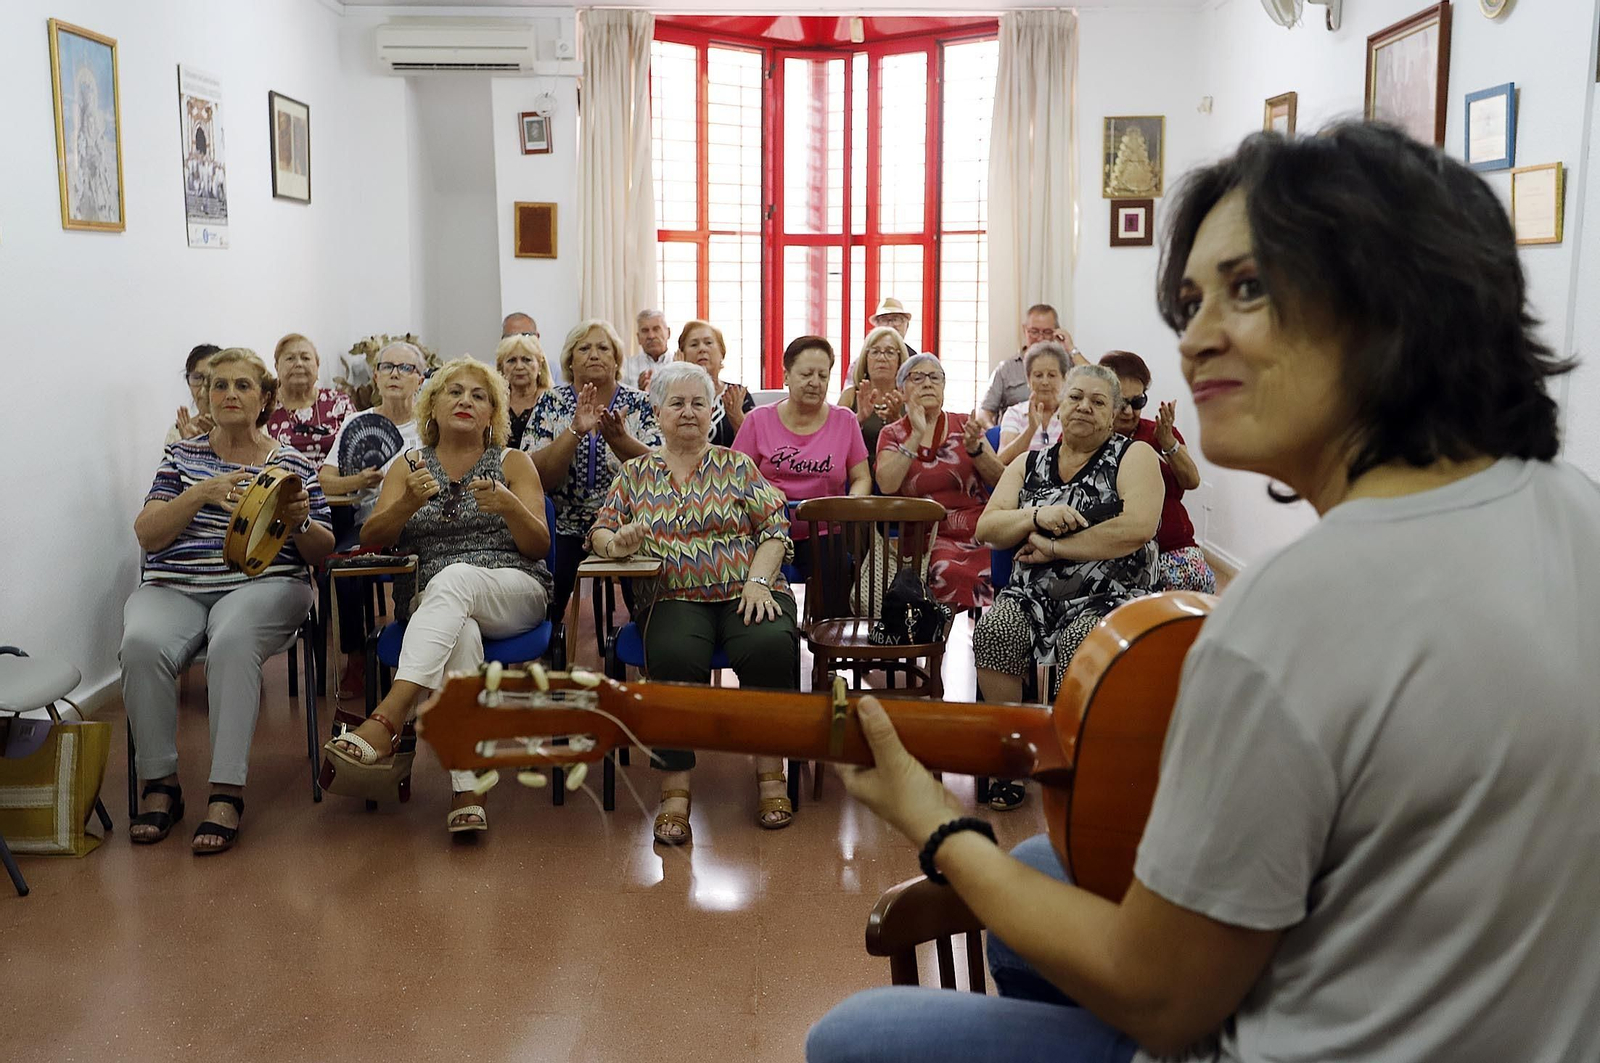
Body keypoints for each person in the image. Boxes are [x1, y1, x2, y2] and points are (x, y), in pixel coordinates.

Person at [806, 123, 1600, 1063]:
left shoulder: (1289, 615)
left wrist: (936, 826)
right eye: (1192, 299)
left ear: (1399, 300)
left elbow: (1165, 997)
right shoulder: (1571, 505)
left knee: (854, 1036)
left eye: (1249, 289)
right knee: (1033, 885)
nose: (1195, 337)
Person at [323, 357, 553, 834]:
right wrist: (407, 503)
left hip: (514, 589)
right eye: (454, 392)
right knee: (460, 631)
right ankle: (468, 788)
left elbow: (539, 546)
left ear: (493, 413)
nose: (466, 401)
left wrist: (511, 506)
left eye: (479, 395)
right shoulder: (408, 466)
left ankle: (389, 715)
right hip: (434, 604)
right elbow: (372, 536)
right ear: (433, 407)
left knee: (454, 578)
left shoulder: (514, 462)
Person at [122, 347, 335, 854]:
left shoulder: (292, 463)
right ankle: (161, 784)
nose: (229, 395)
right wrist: (201, 493)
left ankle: (226, 791)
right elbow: (148, 535)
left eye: (243, 386)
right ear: (205, 396)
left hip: (265, 586)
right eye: (219, 386)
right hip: (177, 586)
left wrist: (301, 519)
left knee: (233, 639)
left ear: (265, 399)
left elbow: (322, 548)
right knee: (141, 643)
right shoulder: (180, 457)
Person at [589, 362, 801, 844]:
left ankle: (772, 775)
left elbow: (774, 530)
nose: (688, 412)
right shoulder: (636, 473)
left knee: (769, 645)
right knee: (674, 656)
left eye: (698, 403)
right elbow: (599, 531)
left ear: (712, 412)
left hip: (747, 589)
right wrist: (616, 543)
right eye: (677, 404)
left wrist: (760, 581)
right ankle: (675, 791)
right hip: (673, 595)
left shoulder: (736, 465)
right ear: (657, 413)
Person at [972, 363, 1163, 810]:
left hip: (1110, 596)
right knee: (996, 630)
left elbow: (1137, 527)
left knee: (1085, 641)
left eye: (1099, 402)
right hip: (1031, 596)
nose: (1084, 407)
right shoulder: (1028, 462)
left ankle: (1074, 755)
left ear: (1115, 413)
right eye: (1076, 397)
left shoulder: (1133, 456)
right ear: (1059, 404)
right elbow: (988, 527)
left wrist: (1058, 550)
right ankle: (1012, 758)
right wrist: (1035, 517)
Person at [524, 319, 661, 620]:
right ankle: (550, 654)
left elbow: (661, 470)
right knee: (547, 593)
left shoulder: (638, 403)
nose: (594, 354)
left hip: (628, 522)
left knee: (646, 599)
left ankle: (643, 648)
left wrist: (621, 441)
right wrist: (574, 432)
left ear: (616, 360)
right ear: (570, 361)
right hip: (563, 523)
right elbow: (536, 475)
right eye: (584, 348)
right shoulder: (551, 401)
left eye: (603, 348)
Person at [319, 339, 426, 700]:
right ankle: (355, 660)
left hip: (422, 522)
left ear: (421, 379)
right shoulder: (356, 422)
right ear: (376, 378)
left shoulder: (430, 425)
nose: (395, 374)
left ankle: (420, 653)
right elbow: (325, 478)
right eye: (387, 367)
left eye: (405, 368)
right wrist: (358, 481)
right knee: (342, 568)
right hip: (369, 523)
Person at [875, 354, 1005, 611]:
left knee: (1005, 566)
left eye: (935, 377)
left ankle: (989, 636)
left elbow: (1000, 481)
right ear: (902, 390)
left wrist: (976, 450)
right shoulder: (891, 434)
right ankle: (936, 641)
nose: (927, 383)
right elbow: (887, 484)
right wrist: (916, 434)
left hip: (978, 530)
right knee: (945, 569)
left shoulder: (964, 425)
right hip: (925, 536)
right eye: (917, 378)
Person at [732, 336, 872, 555]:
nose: (815, 382)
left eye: (822, 376)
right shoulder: (757, 420)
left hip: (828, 533)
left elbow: (862, 477)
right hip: (767, 530)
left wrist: (851, 504)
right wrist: (764, 492)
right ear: (787, 376)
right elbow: (734, 477)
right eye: (806, 374)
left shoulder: (845, 421)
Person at [1101, 350, 1216, 593]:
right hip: (1113, 554)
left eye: (1137, 402)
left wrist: (1168, 444)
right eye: (1121, 403)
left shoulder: (1158, 432)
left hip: (1173, 547)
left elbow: (1192, 481)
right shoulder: (1089, 437)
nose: (1130, 412)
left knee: (1194, 590)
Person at [978, 305, 1087, 427]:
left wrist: (1071, 348)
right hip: (1014, 437)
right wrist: (996, 435)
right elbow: (984, 412)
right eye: (1034, 332)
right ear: (1025, 329)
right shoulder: (1006, 369)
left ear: (1057, 332)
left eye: (1047, 332)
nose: (1040, 338)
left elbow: (1095, 381)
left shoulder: (1067, 365)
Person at [265, 333, 355, 466]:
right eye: (290, 358)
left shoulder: (339, 403)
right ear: (277, 366)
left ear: (317, 365)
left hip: (335, 483)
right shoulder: (265, 406)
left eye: (306, 358)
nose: (299, 364)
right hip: (282, 483)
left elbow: (357, 449)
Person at [838, 327, 909, 466]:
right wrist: (859, 420)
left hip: (899, 478)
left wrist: (897, 421)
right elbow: (833, 442)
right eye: (875, 352)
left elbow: (920, 446)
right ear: (865, 359)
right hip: (856, 476)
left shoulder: (910, 398)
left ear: (900, 361)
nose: (882, 358)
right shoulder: (851, 395)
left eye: (890, 352)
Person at [675, 319, 753, 446]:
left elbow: (755, 446)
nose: (702, 349)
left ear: (722, 352)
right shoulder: (674, 395)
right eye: (694, 345)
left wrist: (737, 417)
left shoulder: (737, 394)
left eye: (708, 343)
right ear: (682, 354)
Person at [994, 342, 1070, 465]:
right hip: (1022, 480)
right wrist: (1031, 429)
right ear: (1028, 380)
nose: (1045, 382)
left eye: (1051, 375)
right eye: (1038, 375)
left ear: (1064, 378)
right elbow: (1002, 460)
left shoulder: (1071, 414)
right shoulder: (1015, 413)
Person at [496, 332, 553, 451]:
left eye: (526, 360)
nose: (519, 366)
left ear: (539, 365)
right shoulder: (495, 401)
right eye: (511, 361)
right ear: (501, 368)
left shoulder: (552, 400)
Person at [166, 343, 222, 444]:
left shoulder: (247, 429)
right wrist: (188, 446)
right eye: (197, 378)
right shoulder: (177, 432)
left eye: (211, 378)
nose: (203, 390)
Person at [622, 309, 672, 389]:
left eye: (656, 329)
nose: (651, 336)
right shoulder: (626, 367)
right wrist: (639, 392)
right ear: (638, 338)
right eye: (645, 331)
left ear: (668, 333)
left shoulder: (679, 363)